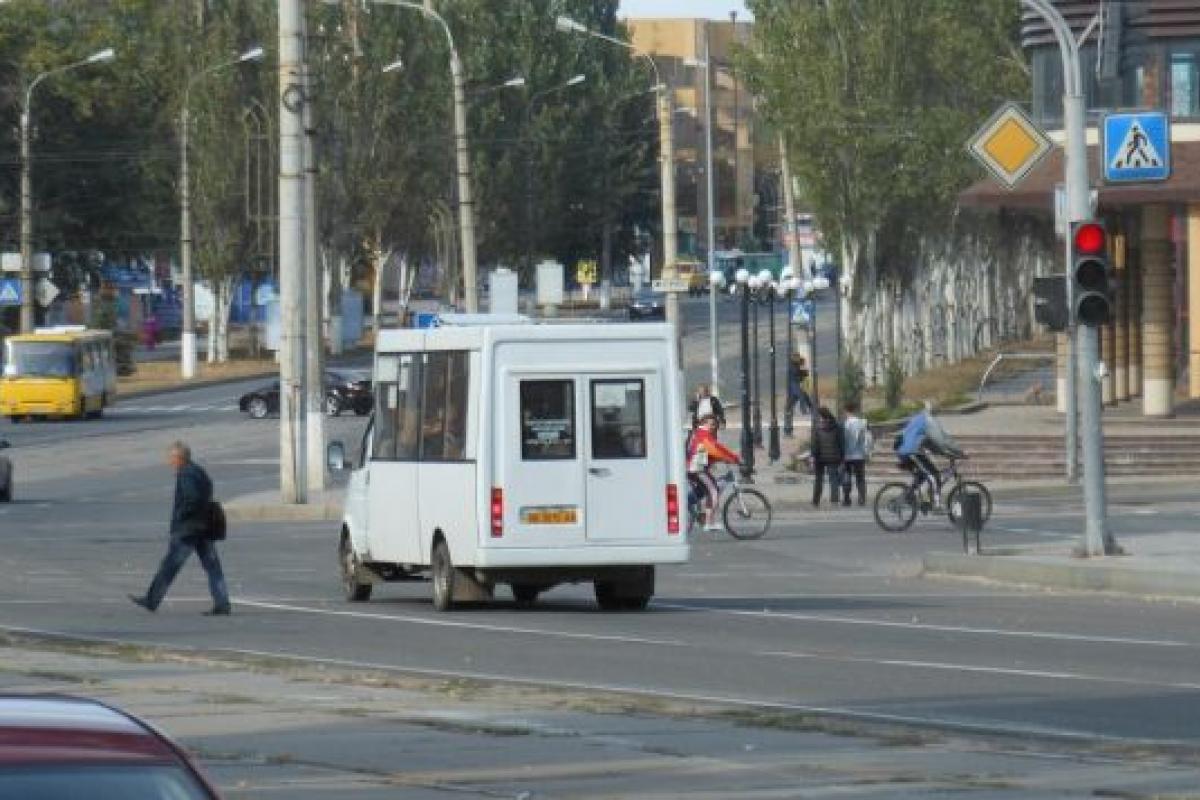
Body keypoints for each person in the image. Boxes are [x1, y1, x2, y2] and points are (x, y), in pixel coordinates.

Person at [129, 442, 230, 615]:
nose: (169, 462)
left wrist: (181, 515)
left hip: (188, 530)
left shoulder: (186, 474)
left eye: (171, 458)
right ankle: (222, 603)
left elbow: (192, 498)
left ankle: (151, 600)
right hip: (204, 527)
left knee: (169, 566)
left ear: (178, 458)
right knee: (213, 567)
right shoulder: (199, 471)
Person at [895, 400, 964, 506]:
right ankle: (936, 505)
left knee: (922, 475)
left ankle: (908, 497)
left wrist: (945, 454)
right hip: (912, 452)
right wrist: (959, 452)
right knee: (934, 476)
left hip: (905, 452)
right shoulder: (929, 420)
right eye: (937, 409)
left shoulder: (918, 418)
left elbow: (930, 443)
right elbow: (942, 439)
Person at [686, 413, 741, 530]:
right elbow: (713, 450)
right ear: (703, 423)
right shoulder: (703, 434)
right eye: (710, 424)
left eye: (714, 425)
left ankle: (686, 504)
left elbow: (717, 448)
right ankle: (708, 523)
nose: (713, 426)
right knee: (713, 490)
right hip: (697, 469)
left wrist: (733, 457)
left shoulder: (701, 434)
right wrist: (728, 458)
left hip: (693, 468)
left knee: (702, 491)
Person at [808, 406, 844, 507]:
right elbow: (841, 443)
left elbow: (814, 445)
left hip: (820, 458)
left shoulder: (818, 428)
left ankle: (816, 500)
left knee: (819, 479)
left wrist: (812, 456)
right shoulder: (837, 426)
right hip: (834, 457)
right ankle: (835, 500)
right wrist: (842, 457)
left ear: (820, 416)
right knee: (833, 479)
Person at [840, 402, 872, 506]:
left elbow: (842, 440)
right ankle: (862, 498)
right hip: (860, 454)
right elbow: (868, 439)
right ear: (855, 410)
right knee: (860, 477)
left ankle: (846, 498)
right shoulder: (863, 423)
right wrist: (867, 452)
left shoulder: (844, 424)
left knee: (847, 475)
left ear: (846, 411)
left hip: (847, 455)